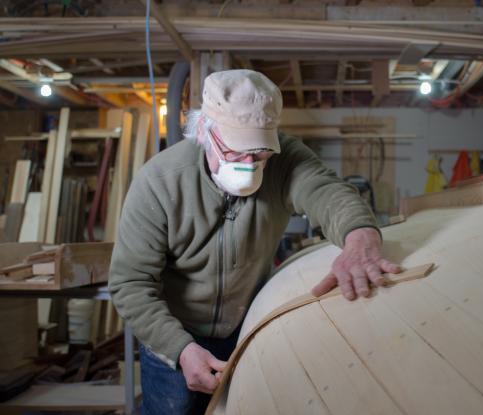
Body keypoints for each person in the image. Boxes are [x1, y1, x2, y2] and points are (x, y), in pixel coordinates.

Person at [108, 69, 400, 415]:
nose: (248, 165)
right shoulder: (159, 182)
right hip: (173, 330)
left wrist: (359, 237)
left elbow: (326, 192)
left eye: (259, 153)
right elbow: (130, 283)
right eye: (235, 152)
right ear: (204, 132)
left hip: (245, 326)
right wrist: (180, 349)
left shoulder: (285, 161)